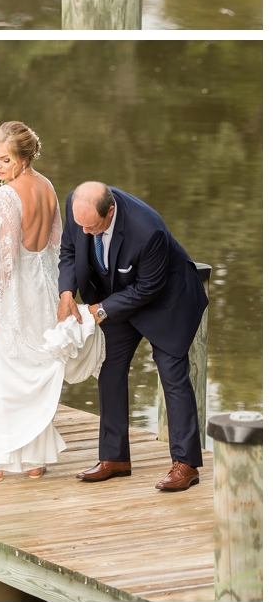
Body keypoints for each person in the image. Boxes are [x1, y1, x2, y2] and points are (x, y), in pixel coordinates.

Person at [57, 181, 209, 491]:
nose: (85, 232)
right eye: (81, 225)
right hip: (117, 298)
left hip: (165, 302)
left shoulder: (147, 228)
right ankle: (114, 459)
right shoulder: (78, 204)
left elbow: (148, 288)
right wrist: (66, 292)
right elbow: (69, 251)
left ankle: (186, 464)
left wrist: (99, 310)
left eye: (93, 227)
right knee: (109, 370)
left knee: (173, 377)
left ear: (110, 211)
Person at [0, 122, 67, 480]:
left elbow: (5, 257)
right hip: (41, 288)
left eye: (5, 159)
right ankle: (34, 461)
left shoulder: (7, 196)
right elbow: (58, 246)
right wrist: (61, 294)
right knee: (31, 369)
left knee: (2, 373)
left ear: (24, 156)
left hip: (12, 293)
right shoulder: (47, 187)